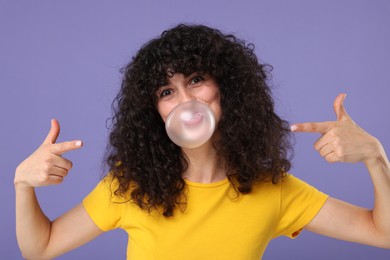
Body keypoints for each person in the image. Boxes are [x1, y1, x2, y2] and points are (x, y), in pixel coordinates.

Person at [14, 24, 390, 259]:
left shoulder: (273, 191)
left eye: (195, 79)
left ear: (227, 86)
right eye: (166, 91)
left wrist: (376, 157)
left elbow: (383, 234)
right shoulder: (130, 187)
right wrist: (22, 184)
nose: (186, 101)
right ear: (155, 112)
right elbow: (40, 248)